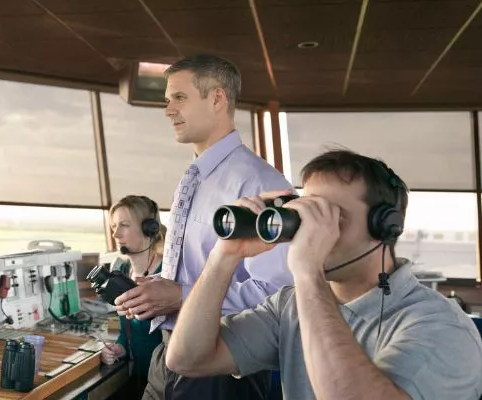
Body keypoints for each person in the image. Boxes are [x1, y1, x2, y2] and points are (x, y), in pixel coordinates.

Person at [166, 149, 482, 399]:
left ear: (384, 228)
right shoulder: (290, 305)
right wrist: (225, 256)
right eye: (308, 212)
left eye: (332, 217)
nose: (313, 229)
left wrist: (307, 272)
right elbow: (188, 359)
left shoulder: (440, 326)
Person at [113, 53, 295, 400]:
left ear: (216, 99)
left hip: (220, 365)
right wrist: (159, 290)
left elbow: (277, 293)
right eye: (167, 101)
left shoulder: (259, 183)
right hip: (167, 350)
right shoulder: (195, 177)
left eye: (179, 98)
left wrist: (180, 296)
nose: (168, 110)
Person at [100, 195, 165, 396]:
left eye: (124, 225)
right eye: (113, 226)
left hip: (166, 382)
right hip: (137, 379)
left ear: (149, 228)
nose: (116, 234)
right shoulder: (123, 271)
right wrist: (120, 348)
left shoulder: (169, 272)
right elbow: (126, 332)